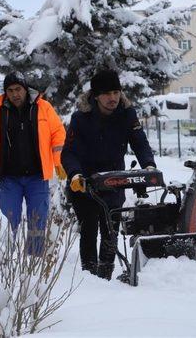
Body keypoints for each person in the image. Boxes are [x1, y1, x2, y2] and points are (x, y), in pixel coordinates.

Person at [61, 69, 156, 280]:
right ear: (96, 95)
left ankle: (105, 274)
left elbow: (139, 142)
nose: (113, 97)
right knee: (89, 229)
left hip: (113, 179)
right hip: (84, 182)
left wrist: (149, 166)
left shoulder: (127, 114)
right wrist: (75, 175)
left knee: (110, 229)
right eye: (107, 93)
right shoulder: (81, 118)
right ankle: (89, 275)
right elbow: (69, 153)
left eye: (116, 92)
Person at [0, 71, 66, 255]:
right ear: (6, 92)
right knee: (7, 223)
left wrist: (59, 162)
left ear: (25, 89)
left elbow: (58, 134)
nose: (15, 94)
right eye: (10, 90)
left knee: (37, 224)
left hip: (37, 177)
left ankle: (34, 260)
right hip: (10, 179)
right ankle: (7, 262)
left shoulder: (43, 107)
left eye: (18, 89)